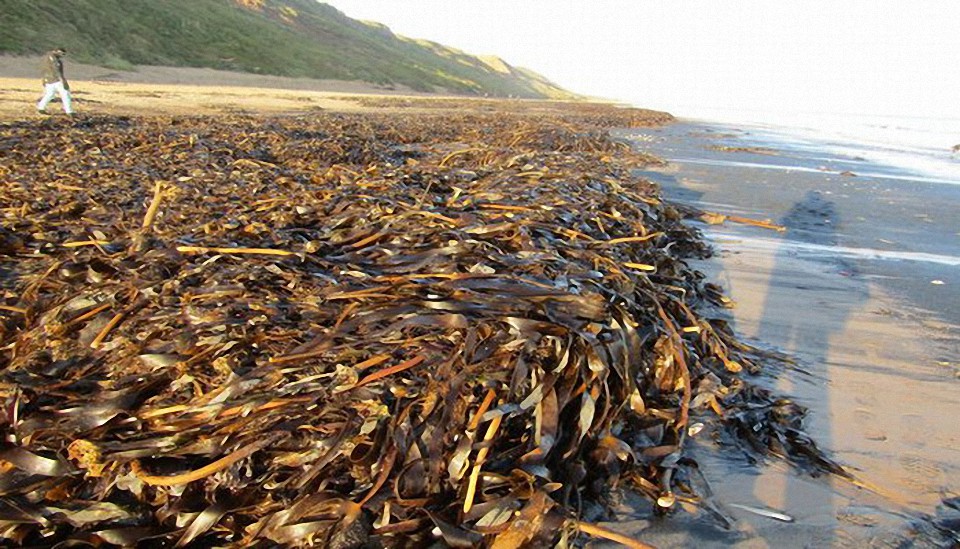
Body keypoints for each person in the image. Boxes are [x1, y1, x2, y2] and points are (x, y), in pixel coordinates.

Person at [37, 47, 74, 115]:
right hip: (56, 79)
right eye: (62, 54)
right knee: (65, 93)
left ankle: (41, 107)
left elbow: (43, 69)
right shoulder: (54, 59)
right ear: (56, 51)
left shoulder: (45, 58)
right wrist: (63, 80)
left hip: (47, 79)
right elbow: (56, 70)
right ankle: (69, 111)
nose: (62, 56)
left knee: (50, 94)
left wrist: (44, 80)